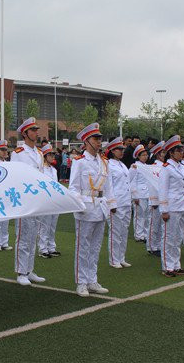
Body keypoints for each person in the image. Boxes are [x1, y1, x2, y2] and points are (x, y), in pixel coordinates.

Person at [69, 123, 115, 297]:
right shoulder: (79, 162)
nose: (99, 142)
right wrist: (80, 204)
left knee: (95, 247)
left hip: (101, 207)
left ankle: (92, 279)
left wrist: (111, 206)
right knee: (83, 247)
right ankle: (81, 282)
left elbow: (109, 187)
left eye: (100, 139)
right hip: (86, 207)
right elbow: (73, 187)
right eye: (96, 139)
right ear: (86, 141)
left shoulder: (104, 162)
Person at [11, 117, 46, 286]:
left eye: (36, 130)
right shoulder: (18, 153)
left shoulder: (39, 153)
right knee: (23, 237)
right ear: (25, 133)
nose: (36, 132)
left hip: (36, 199)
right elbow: (14, 177)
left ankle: (29, 269)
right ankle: (21, 271)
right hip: (24, 199)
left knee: (33, 236)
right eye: (33, 130)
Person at [159, 135, 184, 278]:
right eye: (178, 150)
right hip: (171, 207)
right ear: (171, 152)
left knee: (178, 237)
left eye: (181, 150)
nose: (181, 152)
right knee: (168, 237)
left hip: (181, 205)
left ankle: (176, 265)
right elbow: (163, 189)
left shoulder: (181, 166)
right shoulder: (167, 168)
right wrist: (164, 210)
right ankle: (167, 266)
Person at [105, 137, 132, 269]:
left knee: (124, 231)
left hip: (126, 201)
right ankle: (114, 259)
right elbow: (108, 186)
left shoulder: (122, 165)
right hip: (117, 202)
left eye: (122, 149)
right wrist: (111, 203)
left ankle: (121, 257)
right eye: (119, 149)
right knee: (115, 232)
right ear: (112, 151)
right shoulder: (108, 165)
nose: (121, 152)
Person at [38, 144, 61, 258]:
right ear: (45, 156)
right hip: (45, 200)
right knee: (44, 225)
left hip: (54, 201)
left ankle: (51, 247)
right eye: (50, 155)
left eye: (53, 155)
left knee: (52, 225)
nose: (53, 157)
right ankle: (43, 248)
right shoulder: (40, 169)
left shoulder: (54, 170)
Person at [146, 141, 165, 256]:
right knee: (154, 224)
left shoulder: (164, 166)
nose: (164, 155)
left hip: (163, 200)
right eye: (162, 153)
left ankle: (158, 245)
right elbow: (151, 184)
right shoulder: (153, 167)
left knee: (161, 225)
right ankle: (152, 247)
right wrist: (153, 200)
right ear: (158, 154)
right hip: (156, 200)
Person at [129, 145, 150, 243]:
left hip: (147, 194)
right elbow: (131, 181)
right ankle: (138, 235)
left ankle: (145, 234)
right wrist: (134, 196)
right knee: (139, 215)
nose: (145, 157)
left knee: (146, 215)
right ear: (138, 156)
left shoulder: (147, 166)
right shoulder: (134, 167)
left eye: (146, 155)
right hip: (139, 194)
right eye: (143, 155)